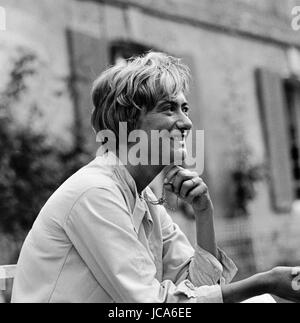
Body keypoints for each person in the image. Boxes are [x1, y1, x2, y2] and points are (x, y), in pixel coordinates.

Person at [11, 52, 300, 303]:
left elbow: (199, 289)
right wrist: (265, 281)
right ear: (129, 121)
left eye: (184, 108)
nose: (186, 122)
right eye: (169, 108)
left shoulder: (144, 198)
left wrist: (204, 213)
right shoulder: (95, 193)